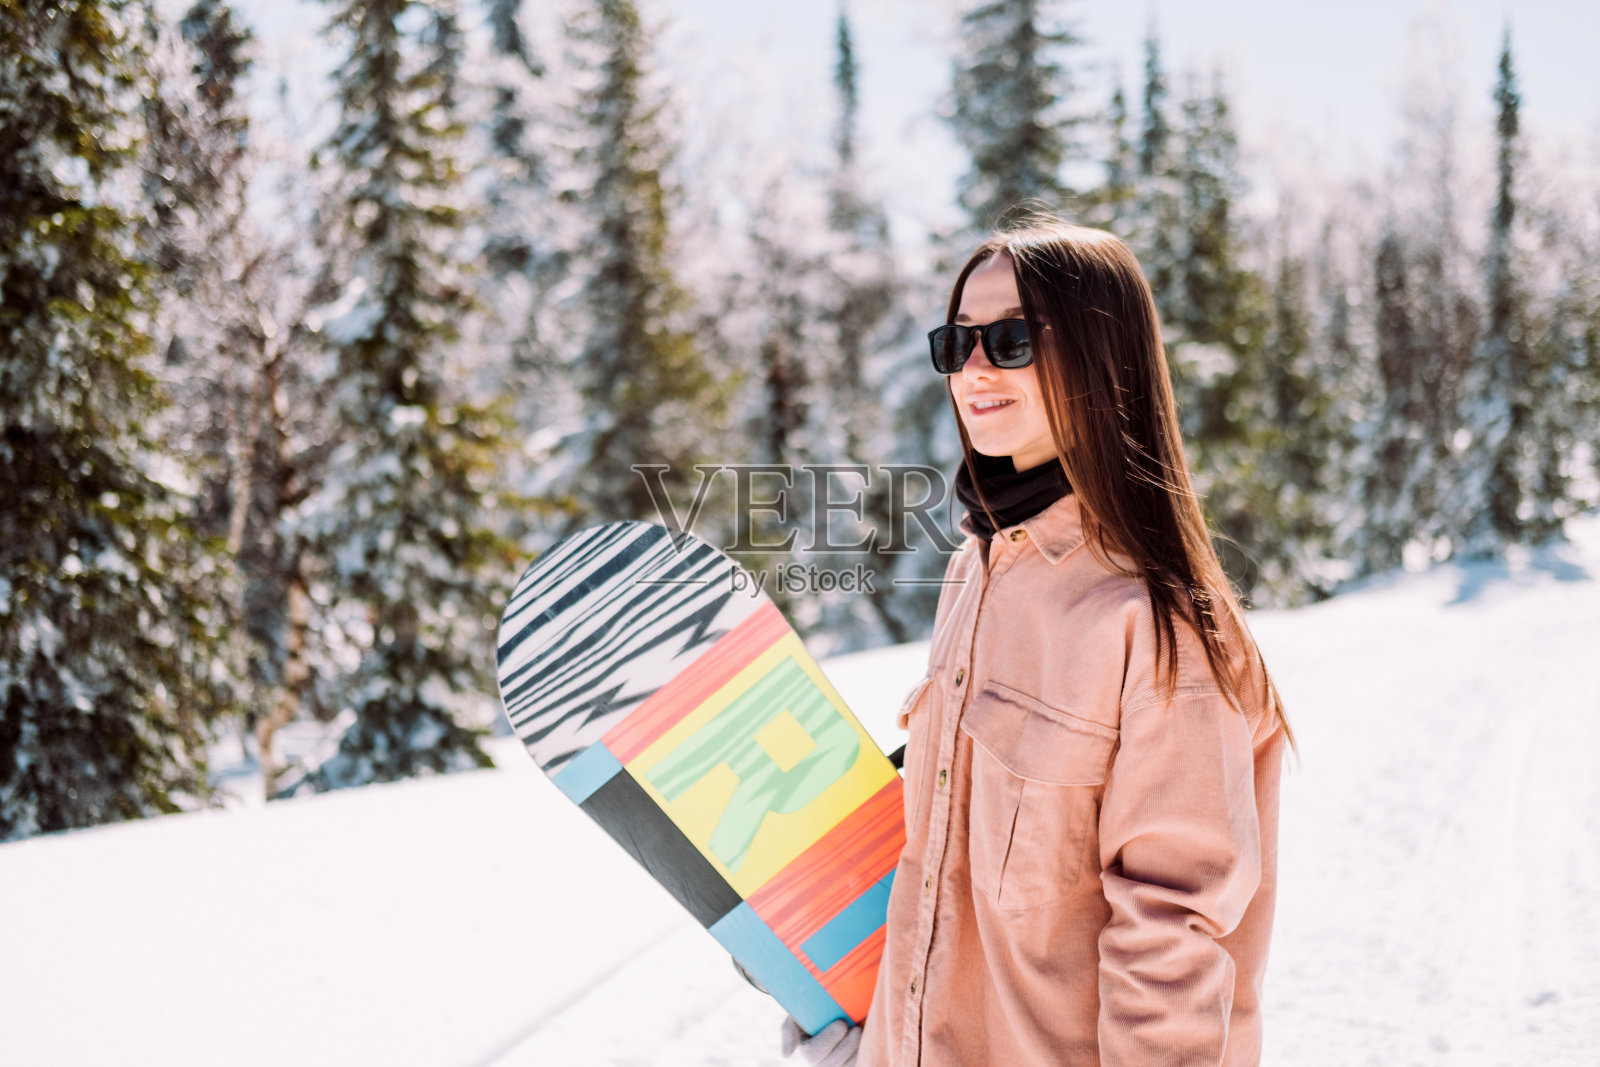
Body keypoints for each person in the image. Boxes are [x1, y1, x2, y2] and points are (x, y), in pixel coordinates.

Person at [779, 218, 1298, 1066]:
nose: (973, 369)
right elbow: (945, 867)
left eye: (1011, 339)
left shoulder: (1158, 621)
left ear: (1100, 356)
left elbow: (1174, 945)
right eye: (957, 343)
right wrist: (861, 1013)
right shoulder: (976, 570)